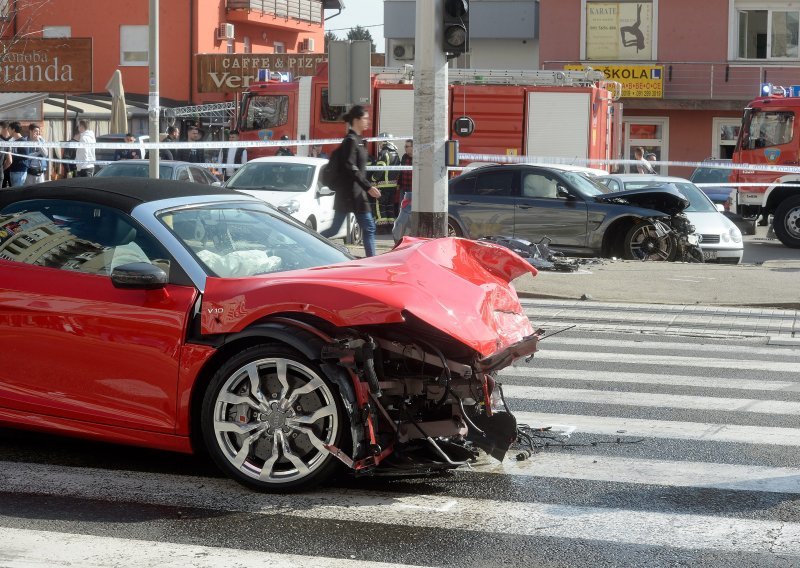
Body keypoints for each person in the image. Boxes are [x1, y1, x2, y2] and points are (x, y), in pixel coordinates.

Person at [320, 105, 381, 257]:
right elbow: (350, 165)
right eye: (365, 118)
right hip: (352, 194)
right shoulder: (351, 141)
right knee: (366, 228)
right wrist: (368, 187)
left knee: (364, 228)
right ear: (356, 120)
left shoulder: (359, 140)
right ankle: (311, 245)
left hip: (354, 193)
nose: (367, 121)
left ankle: (312, 244)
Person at [392, 139, 414, 243]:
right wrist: (398, 184)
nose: (405, 148)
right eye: (405, 146)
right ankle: (401, 233)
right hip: (404, 188)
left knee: (411, 213)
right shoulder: (404, 157)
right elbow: (402, 171)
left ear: (413, 147)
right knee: (403, 211)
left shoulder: (418, 158)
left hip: (414, 190)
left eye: (407, 146)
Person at [6, 122, 28, 187]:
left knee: (17, 192)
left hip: (20, 171)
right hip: (13, 170)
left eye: (9, 129)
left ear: (13, 129)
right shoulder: (13, 141)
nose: (8, 131)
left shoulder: (23, 141)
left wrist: (10, 156)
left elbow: (25, 156)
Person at [1, 121, 12, 188]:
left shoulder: (13, 139)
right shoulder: (1, 140)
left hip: (12, 170)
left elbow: (10, 161)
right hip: (3, 171)